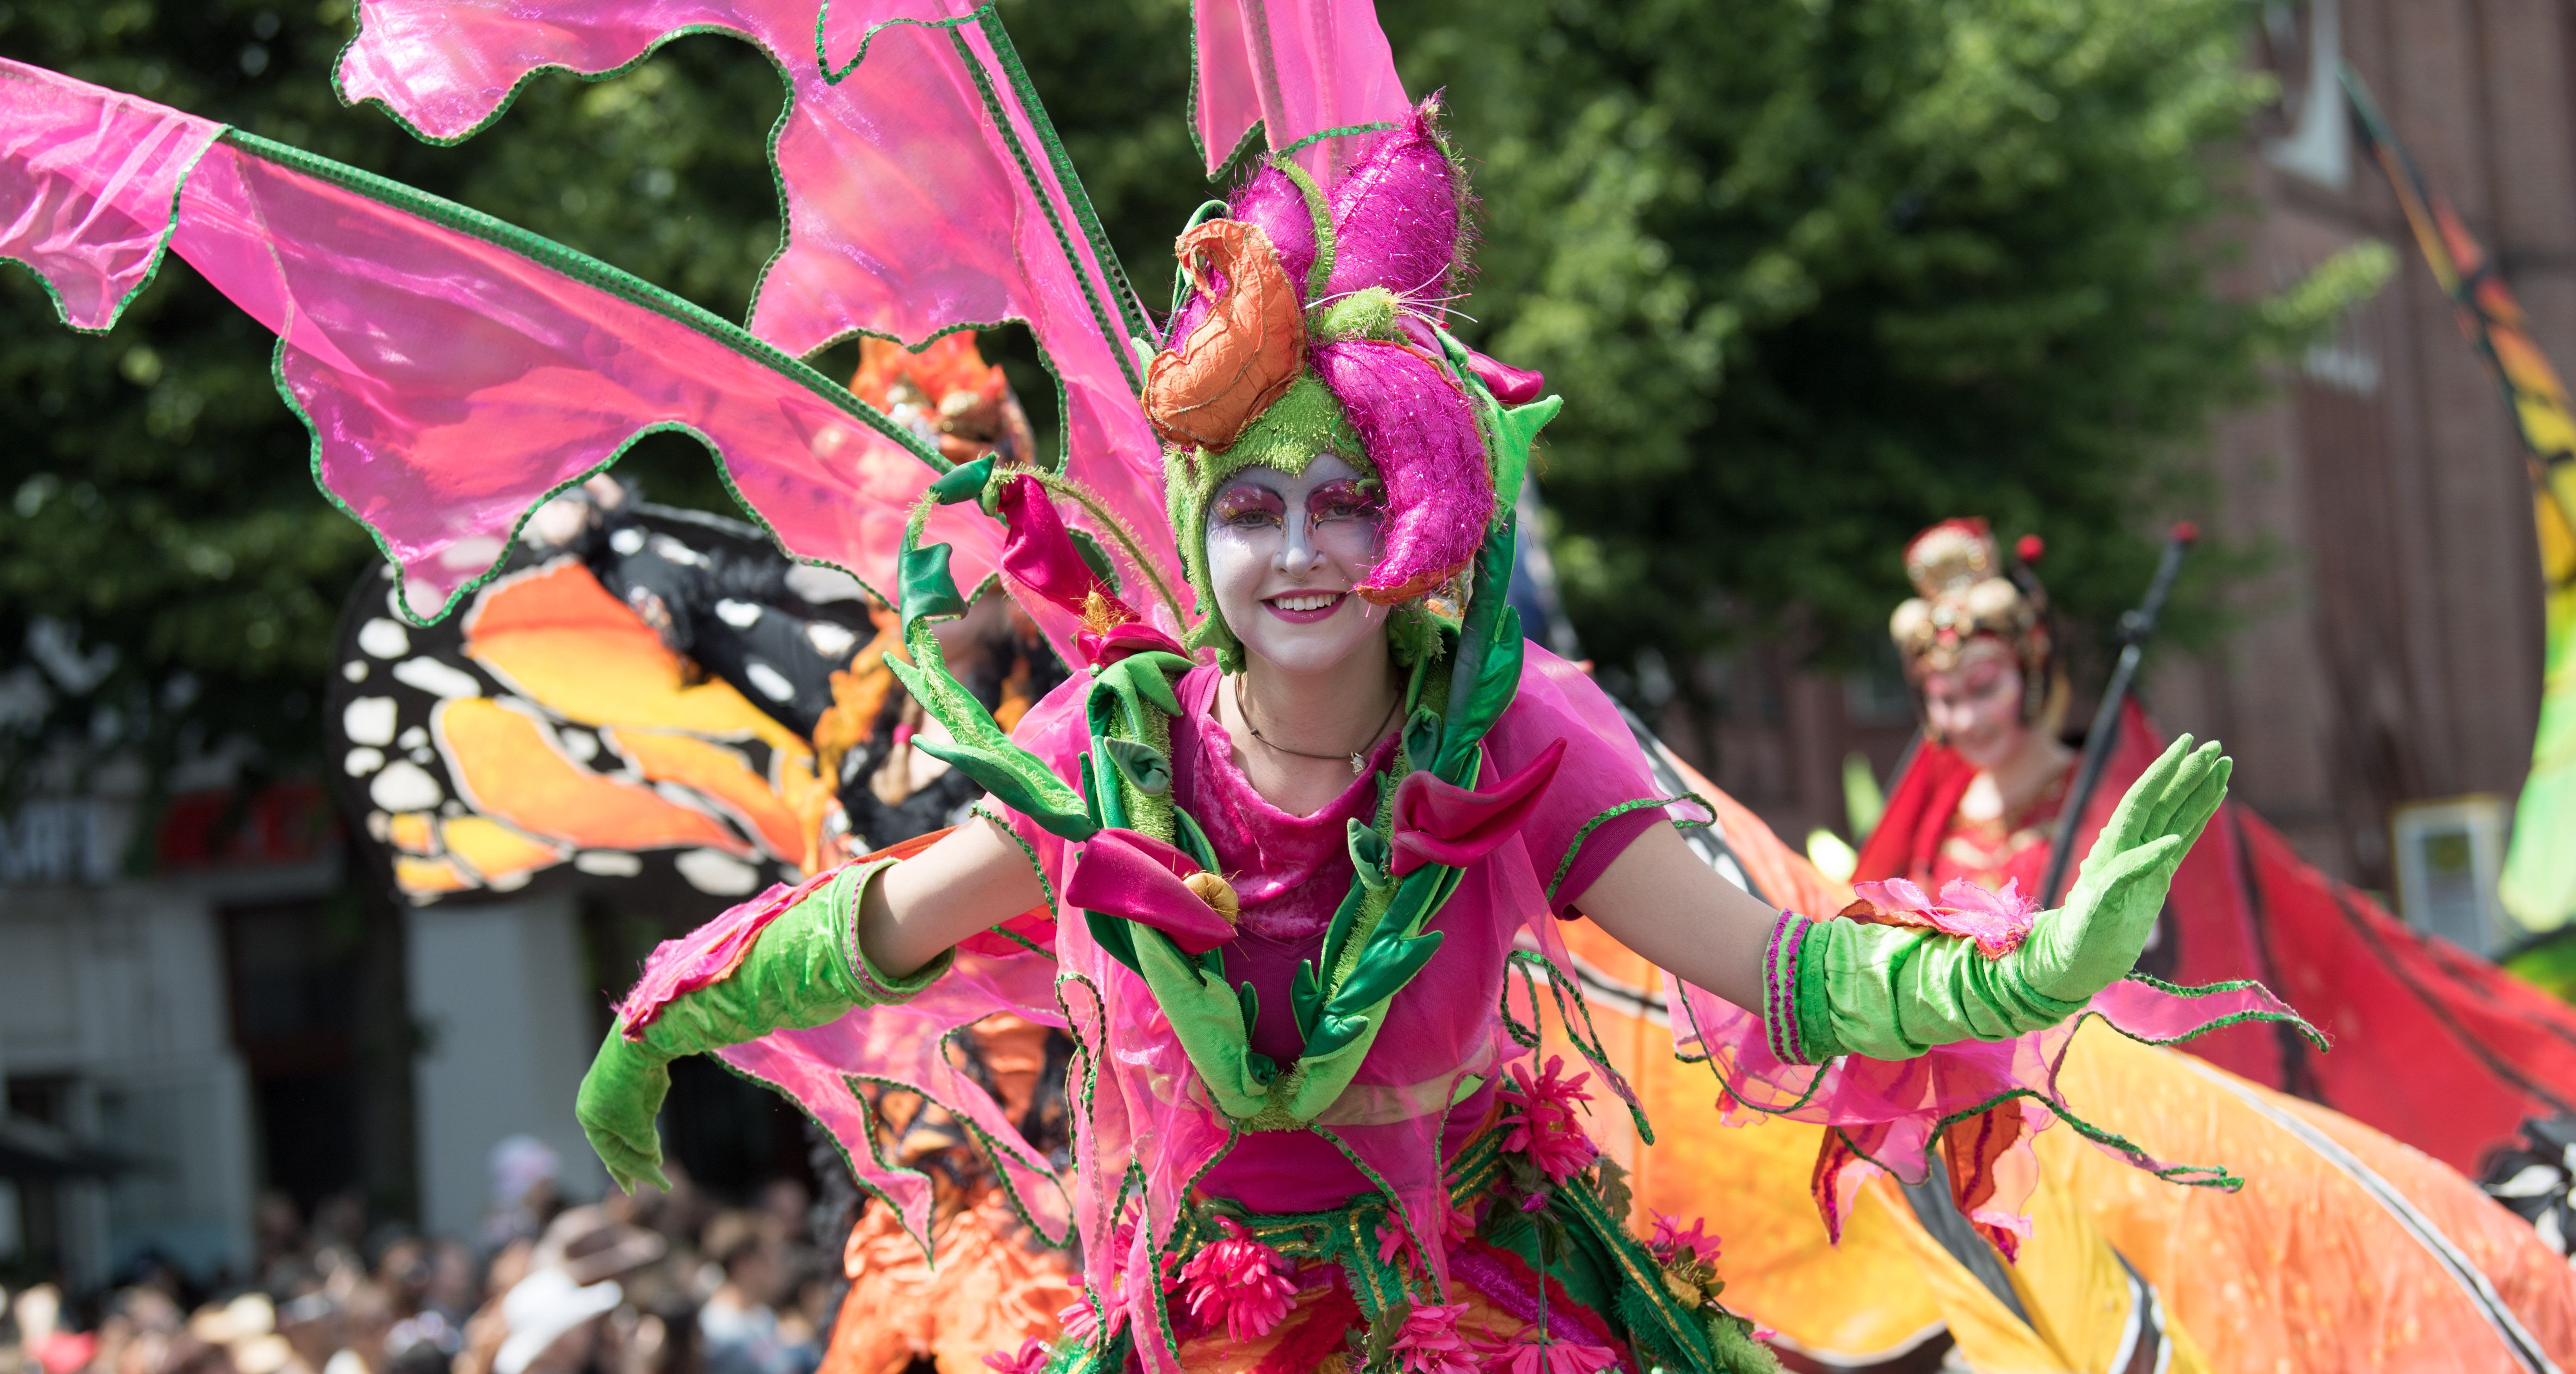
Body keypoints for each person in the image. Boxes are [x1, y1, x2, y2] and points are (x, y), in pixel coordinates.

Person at [571, 110, 2266, 1374]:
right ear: (1201, 536)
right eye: (1254, 509)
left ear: (1416, 521)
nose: (1303, 550)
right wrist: (666, 1013)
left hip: (1476, 1312)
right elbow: (881, 921)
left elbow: (1779, 967)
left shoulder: (1508, 734)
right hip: (1191, 1331)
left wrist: (2030, 970)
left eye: (1346, 500)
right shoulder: (1117, 747)